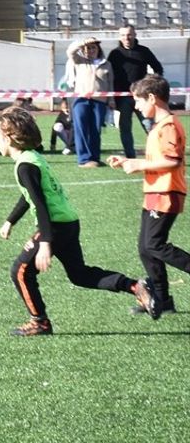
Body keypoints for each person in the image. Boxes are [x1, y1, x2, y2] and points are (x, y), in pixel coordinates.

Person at [0, 106, 154, 335]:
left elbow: (39, 204)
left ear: (9, 138)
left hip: (55, 226)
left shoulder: (26, 165)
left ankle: (39, 322)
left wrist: (46, 242)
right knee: (80, 275)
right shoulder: (32, 158)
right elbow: (30, 195)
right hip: (68, 222)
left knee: (19, 271)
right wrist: (11, 221)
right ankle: (134, 286)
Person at [107, 74, 188, 319]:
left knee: (155, 244)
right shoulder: (159, 126)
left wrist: (138, 165)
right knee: (145, 248)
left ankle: (163, 299)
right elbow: (158, 160)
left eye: (139, 101)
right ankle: (163, 300)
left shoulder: (169, 126)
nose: (137, 106)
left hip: (167, 192)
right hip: (154, 192)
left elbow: (173, 161)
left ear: (152, 98)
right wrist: (128, 162)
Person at [108, 25, 164, 159]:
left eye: (129, 34)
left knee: (149, 126)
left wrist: (149, 84)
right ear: (119, 37)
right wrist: (111, 98)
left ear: (134, 34)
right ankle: (130, 157)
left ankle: (158, 154)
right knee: (125, 129)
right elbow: (108, 75)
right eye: (123, 35)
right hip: (122, 99)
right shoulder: (114, 54)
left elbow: (158, 69)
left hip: (142, 98)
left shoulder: (144, 51)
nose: (126, 38)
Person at [64, 36, 112, 168]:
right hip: (81, 100)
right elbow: (70, 52)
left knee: (95, 131)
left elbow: (110, 83)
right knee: (81, 130)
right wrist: (81, 43)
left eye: (93, 47)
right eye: (88, 48)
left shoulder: (106, 64)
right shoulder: (79, 61)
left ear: (98, 49)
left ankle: (95, 158)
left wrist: (111, 100)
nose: (91, 50)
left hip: (99, 101)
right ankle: (84, 159)